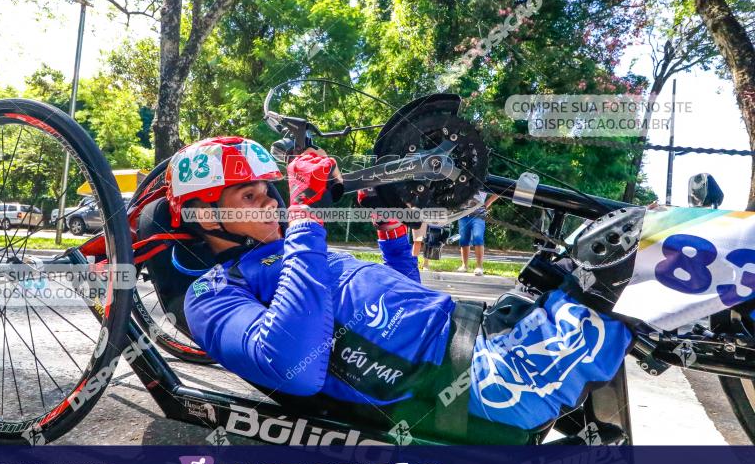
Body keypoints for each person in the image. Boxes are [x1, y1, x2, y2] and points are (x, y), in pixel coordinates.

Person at [169, 136, 632, 439]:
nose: (271, 201)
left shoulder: (291, 250)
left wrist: (390, 232)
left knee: (578, 262)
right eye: (248, 196)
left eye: (269, 190)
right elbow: (292, 365)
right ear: (205, 215)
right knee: (632, 252)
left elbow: (395, 315)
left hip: (478, 331)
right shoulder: (211, 294)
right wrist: (307, 219)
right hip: (481, 378)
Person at [457, 190, 499, 276]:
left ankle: (479, 267)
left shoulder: (485, 178)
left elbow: (498, 192)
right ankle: (464, 266)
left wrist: (487, 203)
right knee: (464, 240)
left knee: (478, 237)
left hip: (479, 215)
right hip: (462, 214)